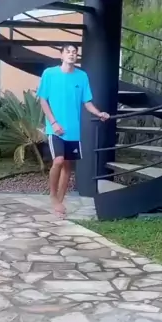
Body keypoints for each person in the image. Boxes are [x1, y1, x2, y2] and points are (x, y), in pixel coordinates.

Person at [37, 44, 109, 216]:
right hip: (55, 129)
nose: (71, 54)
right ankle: (53, 196)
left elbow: (87, 102)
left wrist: (99, 113)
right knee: (58, 161)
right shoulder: (49, 74)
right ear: (61, 55)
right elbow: (43, 100)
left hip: (73, 131)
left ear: (77, 56)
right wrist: (54, 123)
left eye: (74, 52)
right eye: (68, 52)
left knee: (68, 167)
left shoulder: (82, 76)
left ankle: (60, 202)